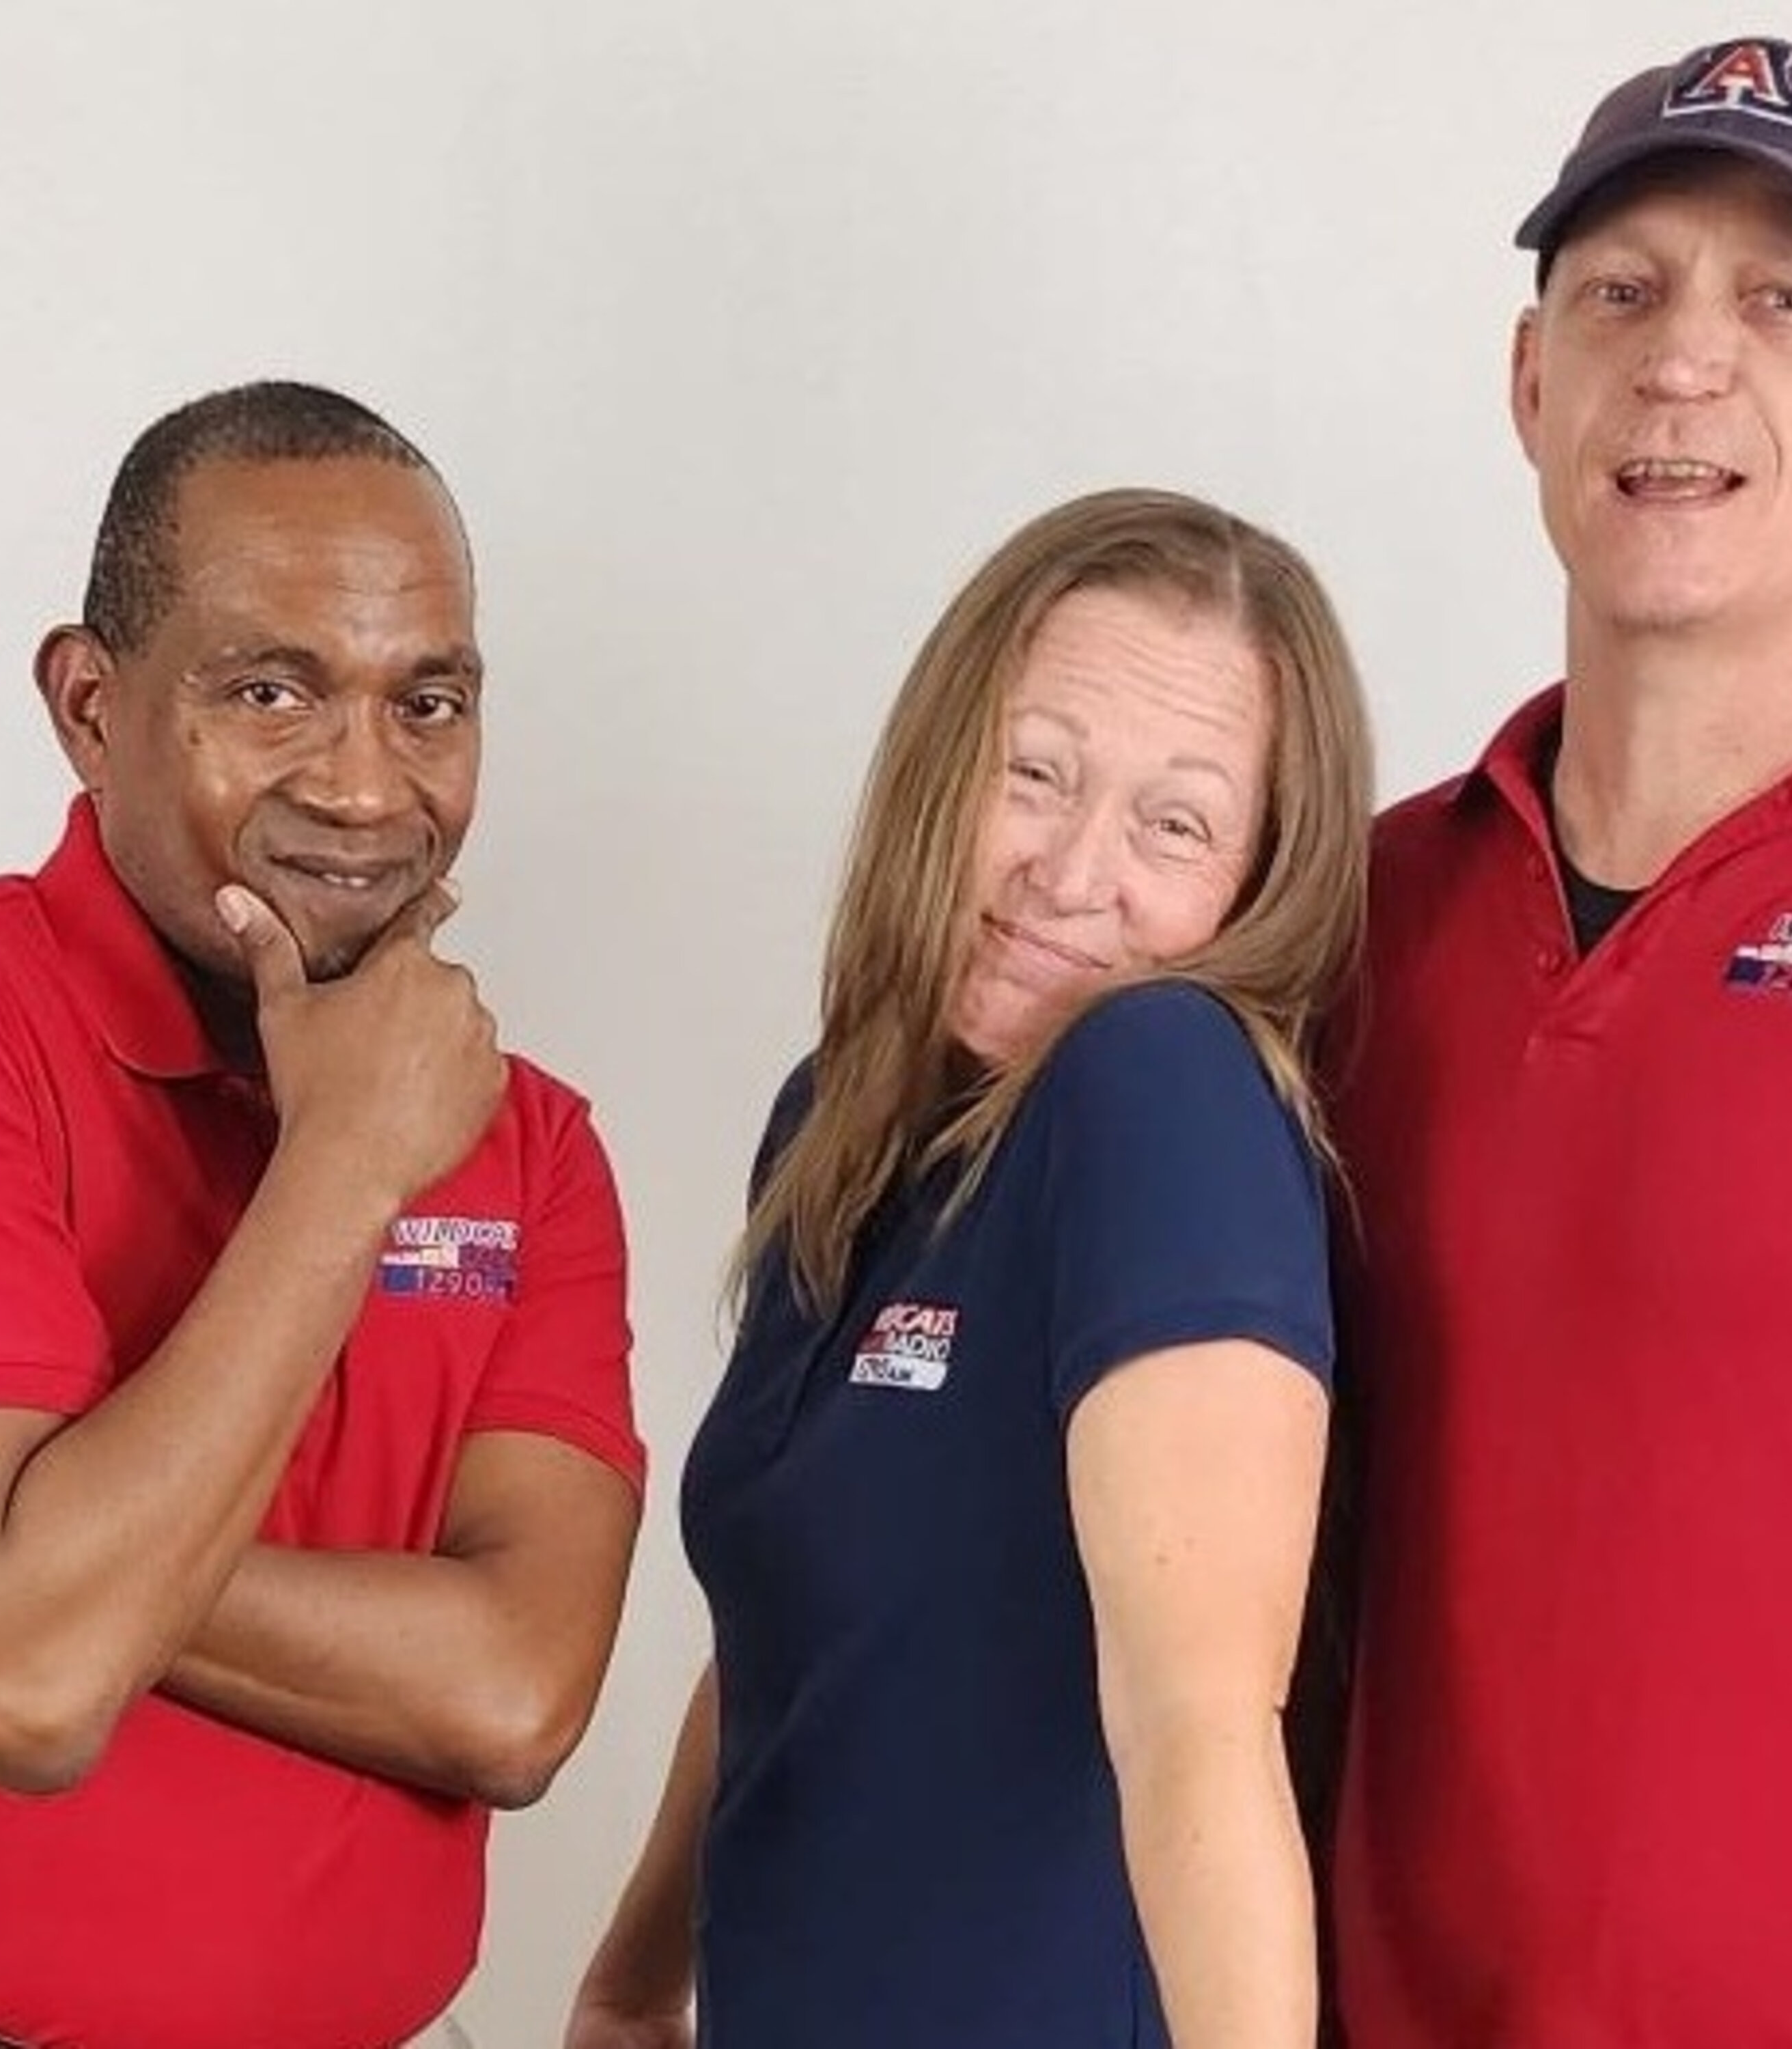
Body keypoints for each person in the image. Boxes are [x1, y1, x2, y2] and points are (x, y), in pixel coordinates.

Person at [1320, 34, 1792, 2047]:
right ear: (1533, 383)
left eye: (1786, 300)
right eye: (1624, 291)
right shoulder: (1355, 915)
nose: (1684, 357)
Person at [563, 488, 1373, 2048]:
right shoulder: (837, 1124)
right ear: (943, 768)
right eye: (1035, 772)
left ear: (1257, 884)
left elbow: (1204, 1726)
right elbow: (792, 1628)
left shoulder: (1162, 1089)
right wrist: (633, 1979)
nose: (1072, 872)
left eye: (1176, 824)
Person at [0, 381, 645, 2049]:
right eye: (270, 691)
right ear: (90, 706)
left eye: (429, 703)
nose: (363, 786)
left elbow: (515, 1696)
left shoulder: (535, 1144)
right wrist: (347, 1164)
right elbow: (27, 1687)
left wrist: (66, 1561)